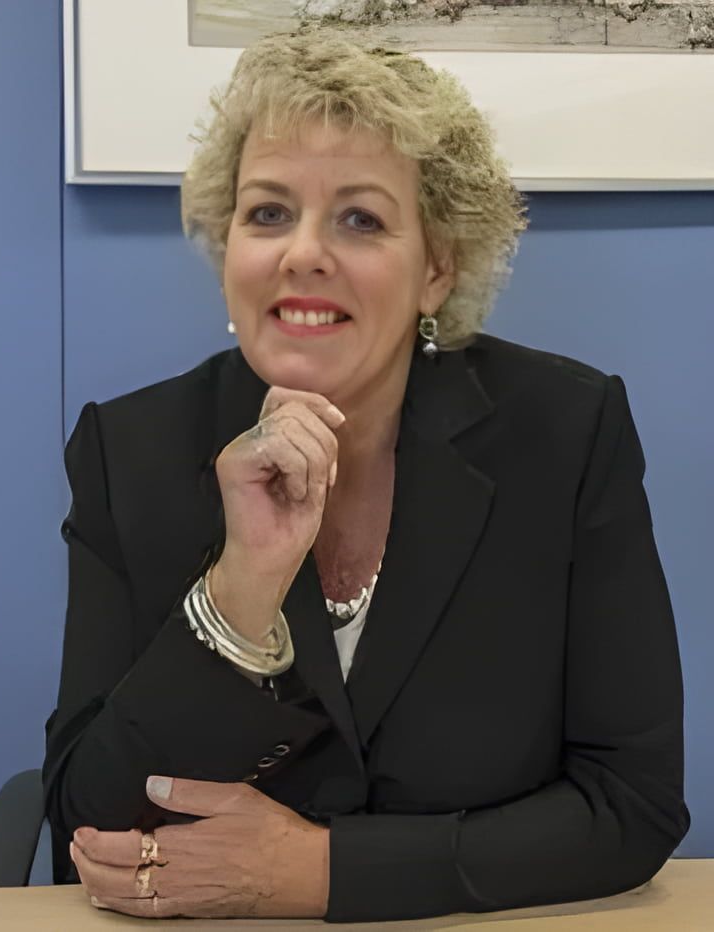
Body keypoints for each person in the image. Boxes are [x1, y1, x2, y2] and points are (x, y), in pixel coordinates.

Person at [42, 31, 689, 922]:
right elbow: (88, 822)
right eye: (268, 213)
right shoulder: (132, 451)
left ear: (436, 268)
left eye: (360, 219)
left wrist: (322, 871)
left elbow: (630, 805)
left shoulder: (566, 434)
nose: (302, 253)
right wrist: (241, 593)